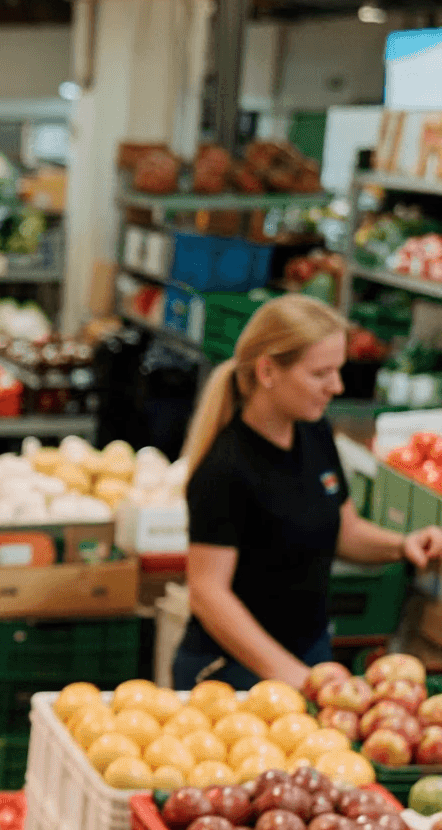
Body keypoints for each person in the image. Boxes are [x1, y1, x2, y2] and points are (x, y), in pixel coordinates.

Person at [176, 293, 442, 690]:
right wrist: (291, 676)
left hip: (311, 654)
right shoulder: (226, 467)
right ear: (268, 372)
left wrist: (403, 545)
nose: (335, 386)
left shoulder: (314, 433)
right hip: (234, 672)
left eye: (338, 371)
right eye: (320, 374)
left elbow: (344, 530)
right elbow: (208, 594)